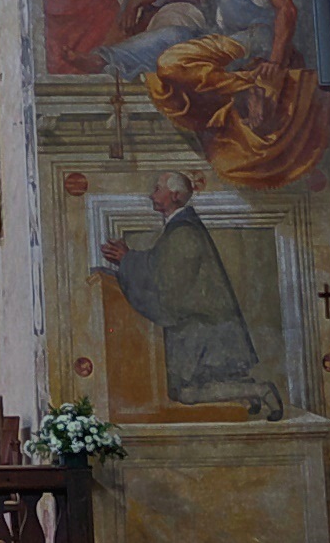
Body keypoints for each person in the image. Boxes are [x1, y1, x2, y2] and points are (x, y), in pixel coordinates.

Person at [99, 174, 267, 406]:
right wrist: (129, 259)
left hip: (205, 332)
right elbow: (162, 266)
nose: (151, 194)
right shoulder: (178, 229)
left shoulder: (183, 231)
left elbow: (168, 278)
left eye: (158, 189)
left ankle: (258, 391)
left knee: (185, 392)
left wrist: (128, 259)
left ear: (175, 196)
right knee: (185, 391)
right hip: (200, 328)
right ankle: (251, 391)